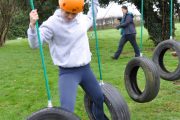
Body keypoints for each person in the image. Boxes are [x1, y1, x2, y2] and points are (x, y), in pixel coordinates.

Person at [27, 0, 107, 119]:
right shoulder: (52, 23)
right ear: (61, 7)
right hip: (68, 73)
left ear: (79, 11)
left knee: (99, 98)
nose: (70, 16)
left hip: (86, 70)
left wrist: (94, 2)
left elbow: (92, 16)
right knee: (67, 112)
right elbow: (35, 44)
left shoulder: (81, 19)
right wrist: (32, 26)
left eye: (73, 13)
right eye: (67, 12)